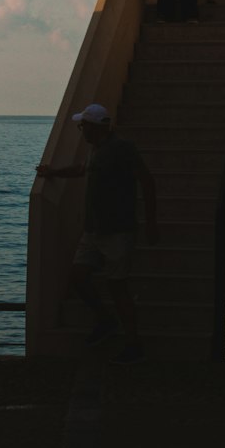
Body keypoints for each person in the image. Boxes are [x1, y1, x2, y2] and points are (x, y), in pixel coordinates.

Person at [35, 102, 158, 363]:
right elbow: (81, 170)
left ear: (93, 127)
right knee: (78, 277)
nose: (81, 131)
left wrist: (151, 222)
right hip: (93, 230)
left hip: (117, 230)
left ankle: (133, 343)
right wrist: (53, 172)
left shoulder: (122, 149)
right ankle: (105, 319)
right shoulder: (96, 150)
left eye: (83, 126)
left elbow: (147, 181)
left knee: (118, 287)